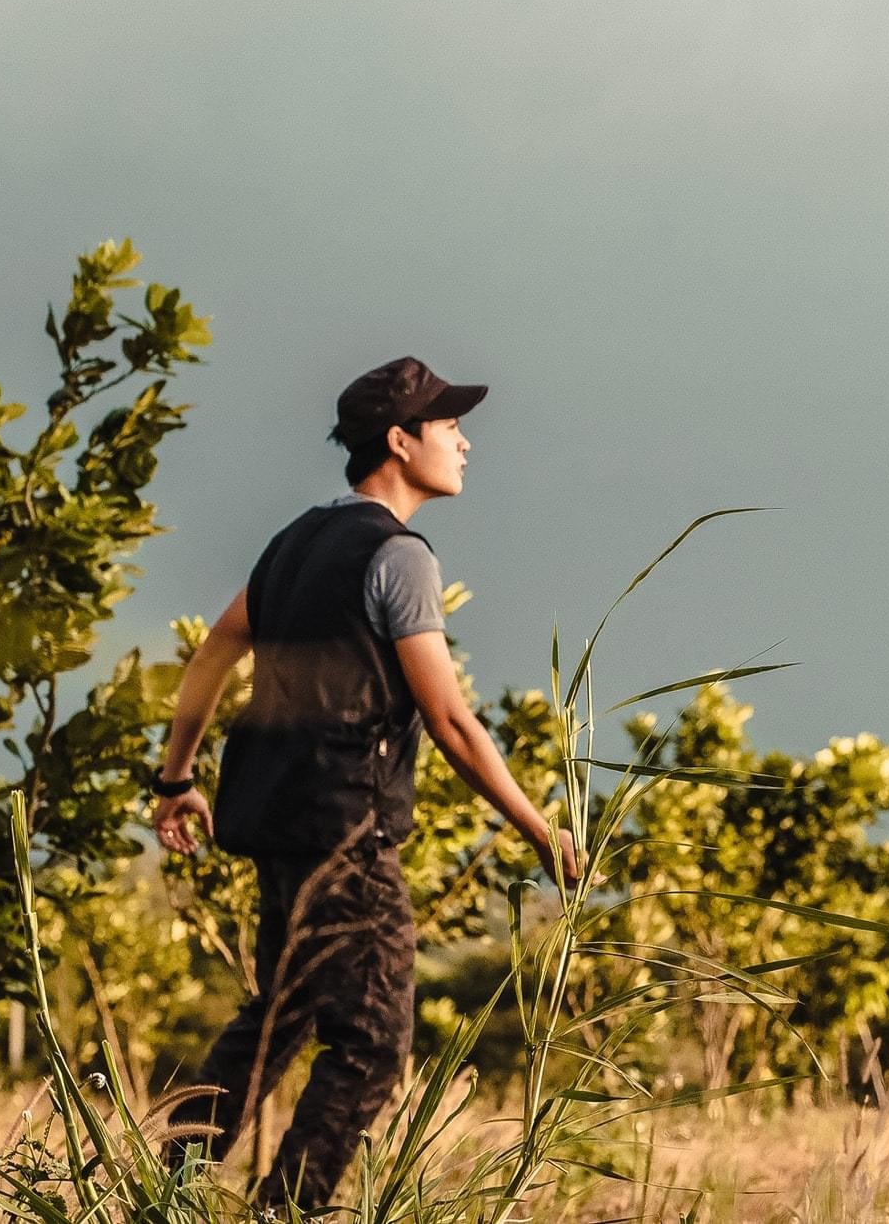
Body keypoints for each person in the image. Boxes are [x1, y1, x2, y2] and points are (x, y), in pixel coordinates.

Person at [152, 356, 578, 1211]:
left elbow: (210, 657)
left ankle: (167, 1190)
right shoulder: (398, 555)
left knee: (279, 1015)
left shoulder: (292, 543)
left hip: (270, 821)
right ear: (399, 439)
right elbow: (453, 722)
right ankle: (287, 1209)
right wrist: (541, 829)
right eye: (447, 424)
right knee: (374, 1046)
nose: (463, 441)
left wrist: (175, 778)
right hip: (345, 830)